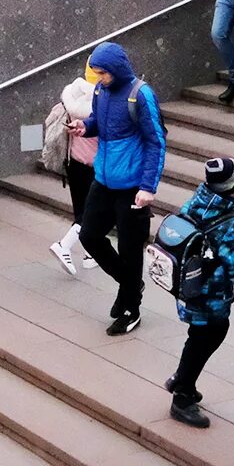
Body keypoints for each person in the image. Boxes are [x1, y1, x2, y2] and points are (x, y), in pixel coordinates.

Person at [69, 41, 166, 336]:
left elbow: (156, 142)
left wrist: (148, 186)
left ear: (116, 69)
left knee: (130, 247)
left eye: (103, 73)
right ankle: (130, 284)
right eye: (96, 73)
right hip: (104, 179)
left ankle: (130, 309)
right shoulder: (101, 91)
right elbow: (100, 122)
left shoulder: (141, 94)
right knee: (89, 235)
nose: (99, 78)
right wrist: (86, 127)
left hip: (133, 186)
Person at [165, 157, 234, 428]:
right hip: (210, 292)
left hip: (188, 285)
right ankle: (182, 396)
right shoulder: (228, 221)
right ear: (231, 186)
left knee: (199, 335)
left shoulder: (199, 200)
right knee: (209, 335)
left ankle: (182, 380)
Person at [45, 76, 101, 274]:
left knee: (81, 209)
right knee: (92, 213)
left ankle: (90, 254)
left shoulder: (72, 94)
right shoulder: (102, 102)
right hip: (95, 167)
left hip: (72, 162)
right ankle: (64, 246)